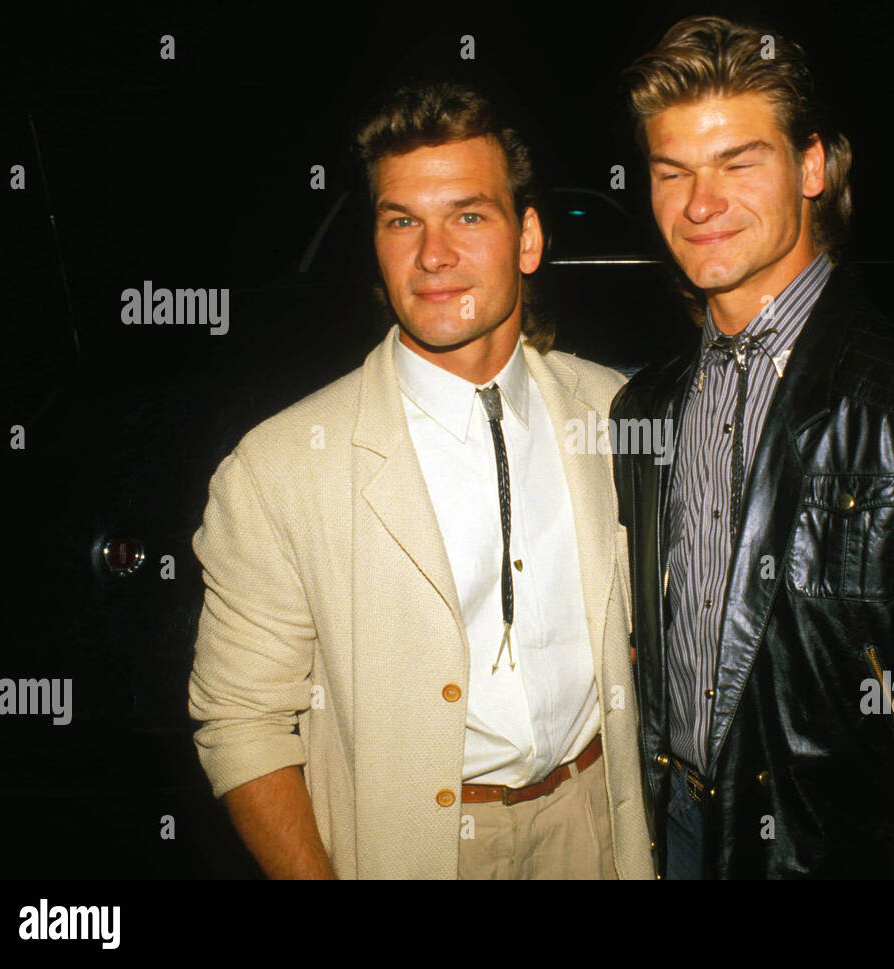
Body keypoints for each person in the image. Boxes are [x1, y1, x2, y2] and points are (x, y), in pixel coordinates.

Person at [611, 15, 894, 879]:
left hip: (839, 852)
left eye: (739, 162)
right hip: (678, 838)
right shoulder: (649, 403)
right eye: (673, 172)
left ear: (812, 166)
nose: (701, 203)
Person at [188, 80, 653, 879]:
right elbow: (241, 719)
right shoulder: (278, 469)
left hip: (599, 824)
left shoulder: (615, 413)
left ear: (528, 238)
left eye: (469, 215)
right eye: (403, 221)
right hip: (415, 850)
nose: (433, 254)